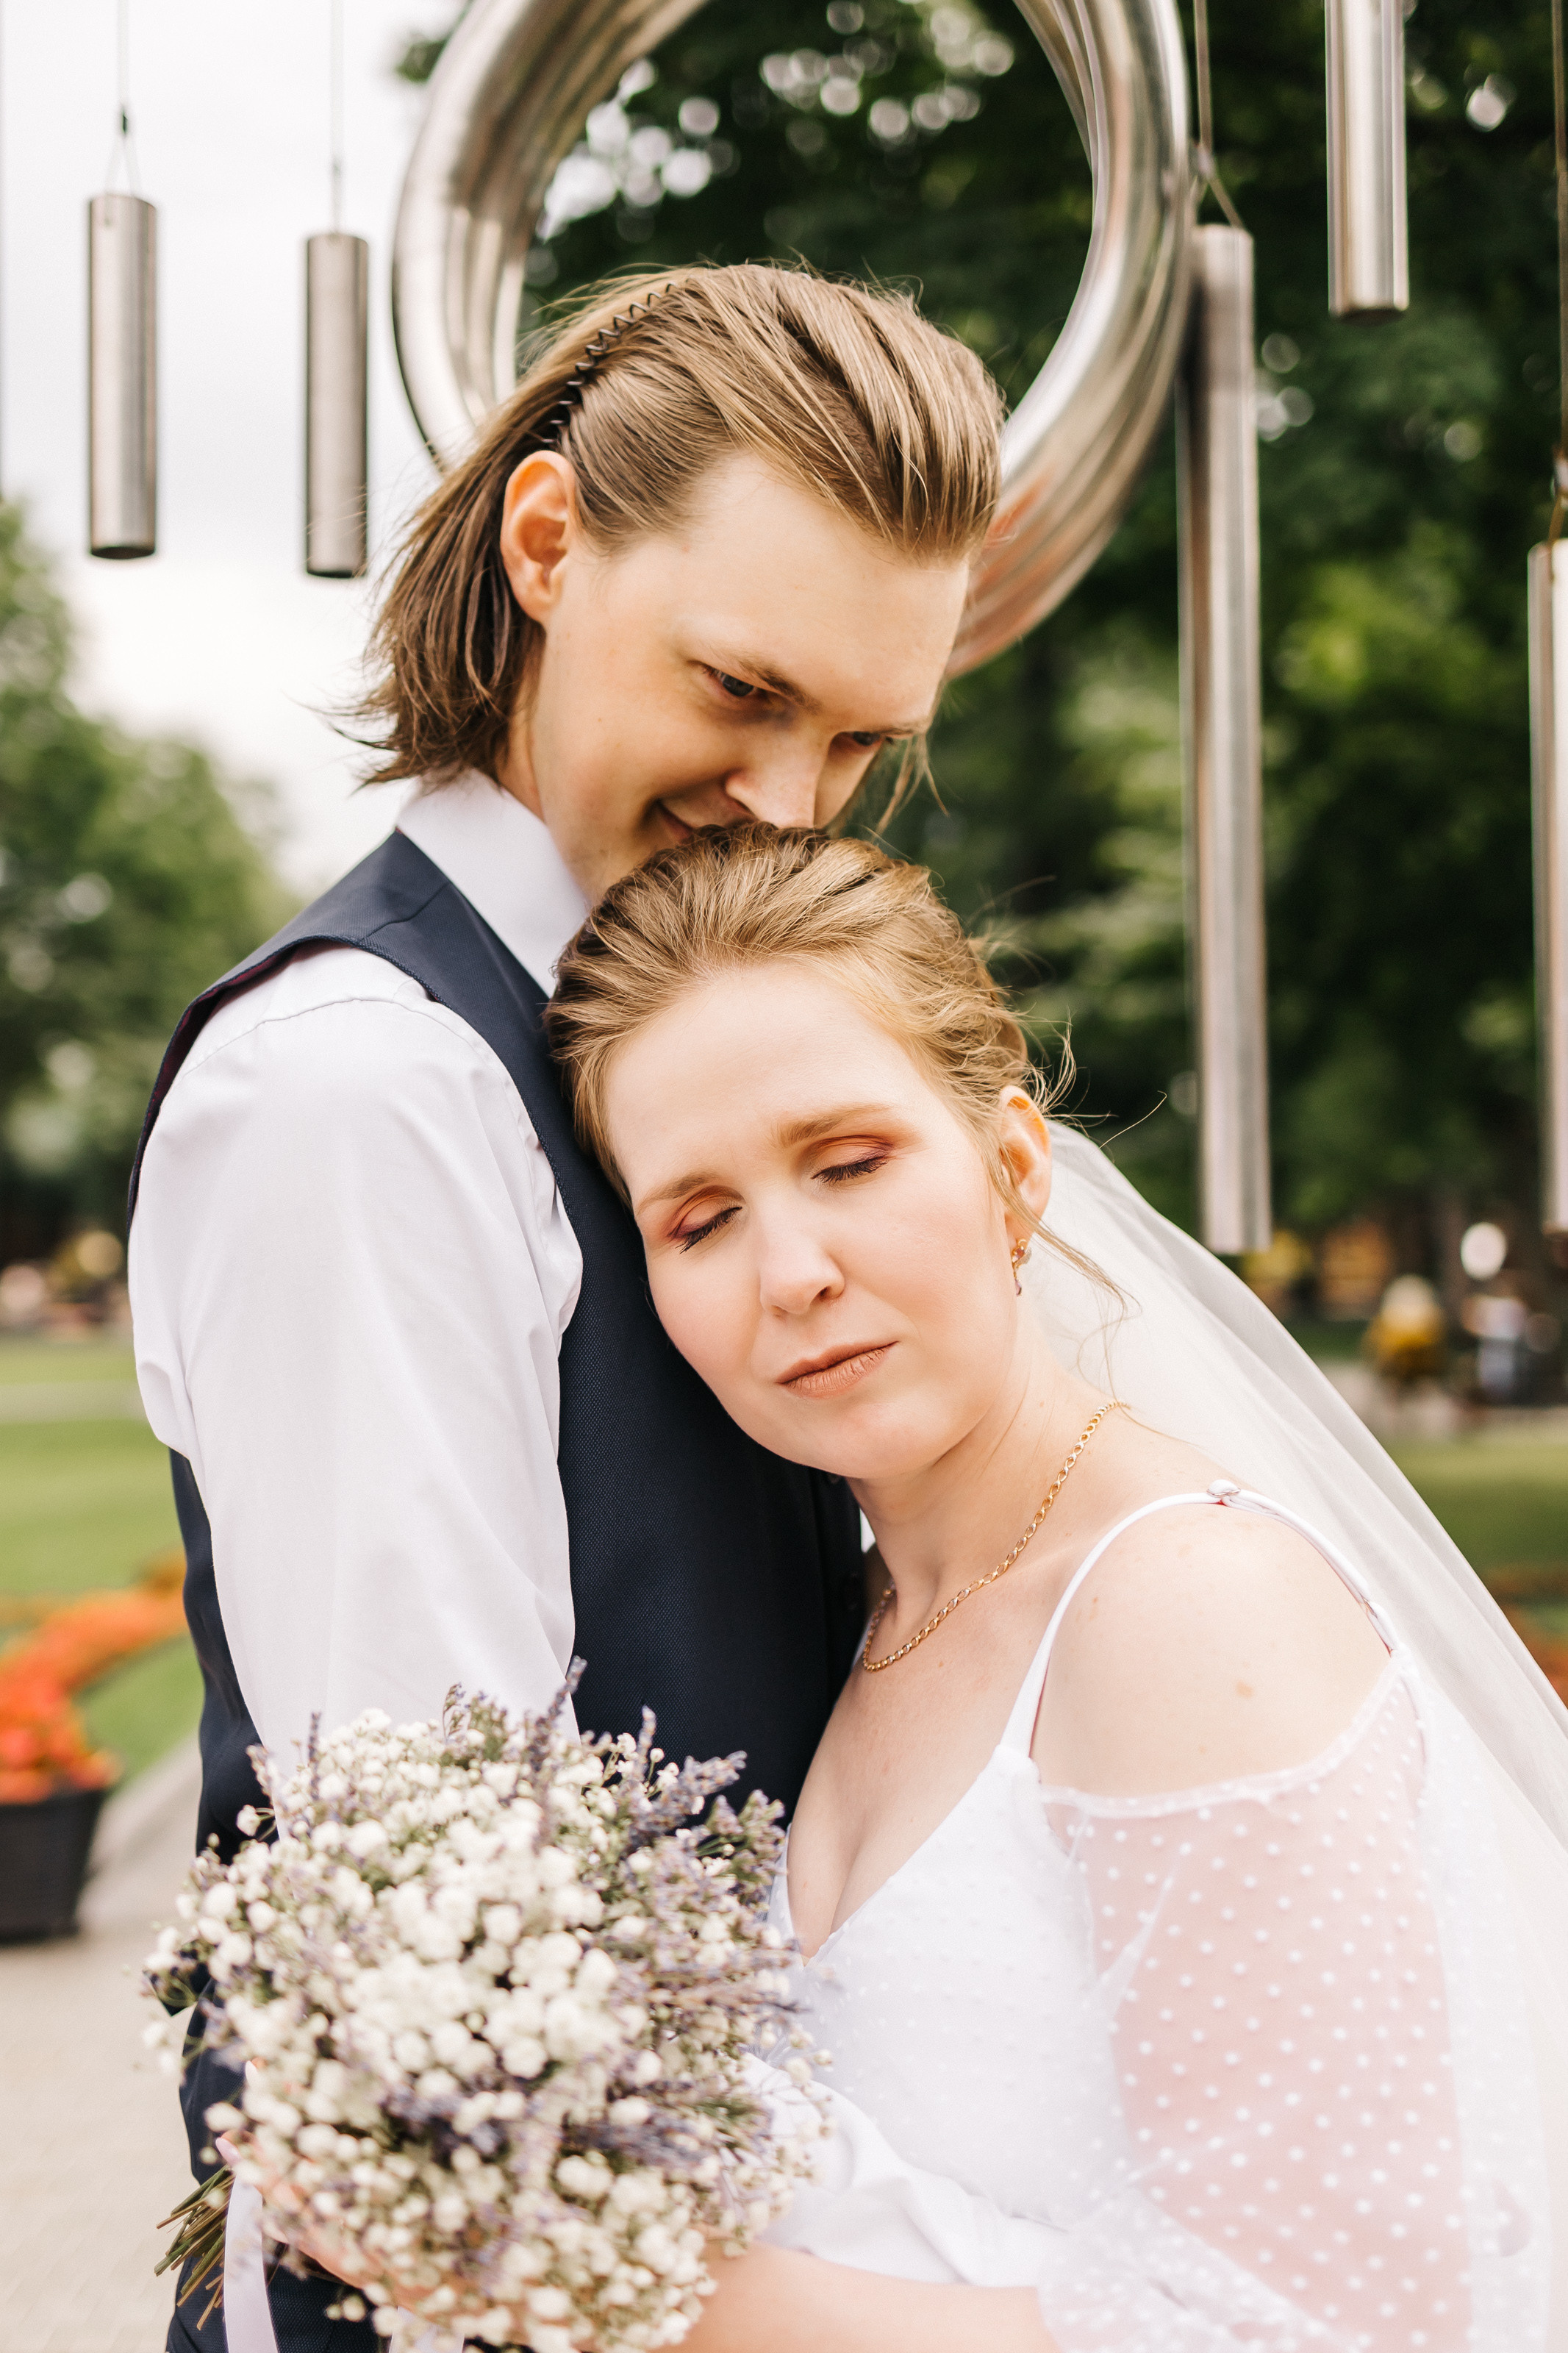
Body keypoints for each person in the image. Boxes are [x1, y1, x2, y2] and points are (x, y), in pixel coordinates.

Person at [127, 263, 1003, 2353]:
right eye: (737, 688)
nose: (787, 802)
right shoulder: (361, 1091)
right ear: (545, 545)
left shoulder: (683, 1060)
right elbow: (454, 1962)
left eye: (856, 741)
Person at [545, 823, 1568, 2353]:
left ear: (1014, 1169)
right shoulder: (859, 1621)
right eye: (699, 1219)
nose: (791, 1271)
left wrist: (645, 2300)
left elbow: (1334, 2328)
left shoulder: (1185, 1608)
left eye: (849, 1162)